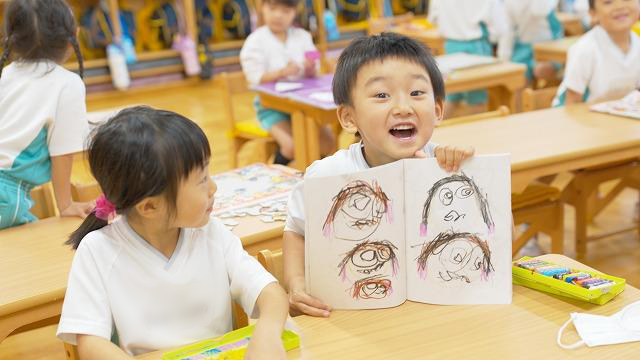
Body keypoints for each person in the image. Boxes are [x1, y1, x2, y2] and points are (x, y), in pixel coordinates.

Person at [57, 107, 289, 359]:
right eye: (201, 180)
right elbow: (91, 344)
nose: (213, 187)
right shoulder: (97, 251)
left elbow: (271, 293)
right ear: (149, 206)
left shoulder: (212, 234)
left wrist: (267, 332)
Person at [283, 33, 475, 317]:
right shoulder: (328, 176)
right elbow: (297, 232)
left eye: (416, 93)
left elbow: (497, 238)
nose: (403, 107)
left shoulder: (448, 168)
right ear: (349, 118)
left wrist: (469, 177)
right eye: (381, 95)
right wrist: (297, 284)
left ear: (437, 110)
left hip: (436, 313)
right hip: (355, 315)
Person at [0, 0, 93, 229]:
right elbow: (62, 152)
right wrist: (66, 204)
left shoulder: (7, 73)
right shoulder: (67, 84)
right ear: (73, 37)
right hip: (6, 195)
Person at [240, 0, 334, 165]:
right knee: (291, 146)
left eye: (285, 11)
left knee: (329, 143)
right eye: (273, 8)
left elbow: (314, 68)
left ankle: (317, 176)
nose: (278, 15)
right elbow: (254, 77)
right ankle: (278, 176)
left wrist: (310, 67)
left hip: (305, 106)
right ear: (262, 8)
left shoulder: (303, 36)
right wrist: (281, 72)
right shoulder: (255, 41)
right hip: (271, 107)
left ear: (294, 12)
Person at [553, 0, 640, 106]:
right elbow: (572, 102)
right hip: (579, 117)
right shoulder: (585, 49)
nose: (619, 6)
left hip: (618, 117)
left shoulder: (637, 44)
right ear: (593, 14)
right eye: (608, 2)